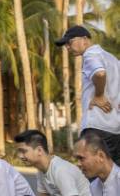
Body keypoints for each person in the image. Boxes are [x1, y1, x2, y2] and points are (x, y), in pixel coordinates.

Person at [56, 25, 120, 165]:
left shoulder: (90, 55)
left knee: (92, 176)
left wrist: (98, 96)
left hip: (96, 127)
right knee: (112, 178)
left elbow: (100, 73)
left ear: (84, 40)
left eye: (69, 42)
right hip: (114, 129)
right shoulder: (112, 59)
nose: (67, 47)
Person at [13, 130, 90, 196]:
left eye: (23, 151)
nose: (20, 156)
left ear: (39, 150)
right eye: (19, 152)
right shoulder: (41, 171)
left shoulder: (60, 170)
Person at [74, 130, 120, 195]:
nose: (78, 164)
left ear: (101, 155)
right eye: (77, 159)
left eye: (81, 158)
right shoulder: (93, 187)